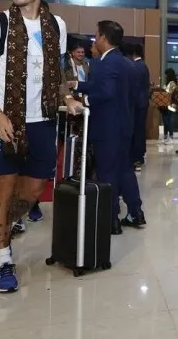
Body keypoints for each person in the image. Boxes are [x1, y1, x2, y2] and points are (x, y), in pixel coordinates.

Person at [0, 0, 81, 293]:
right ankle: (3, 256)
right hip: (6, 121)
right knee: (3, 189)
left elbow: (57, 72)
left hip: (43, 120)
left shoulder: (56, 25)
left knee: (33, 192)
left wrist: (68, 98)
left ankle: (3, 224)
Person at [70, 20, 145, 235]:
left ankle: (112, 219)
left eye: (96, 35)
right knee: (124, 170)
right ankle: (135, 211)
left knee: (108, 173)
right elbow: (101, 85)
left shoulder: (108, 62)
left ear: (103, 37)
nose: (94, 39)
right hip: (122, 126)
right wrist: (77, 85)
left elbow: (107, 92)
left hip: (108, 128)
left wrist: (83, 101)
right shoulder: (120, 61)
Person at [125, 43, 151, 171]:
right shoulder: (142, 65)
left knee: (137, 131)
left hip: (137, 103)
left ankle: (137, 158)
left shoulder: (136, 66)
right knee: (139, 130)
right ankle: (139, 155)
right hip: (142, 102)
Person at [160, 68, 177, 144]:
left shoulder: (172, 83)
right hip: (166, 104)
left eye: (166, 74)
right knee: (166, 120)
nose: (165, 76)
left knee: (169, 121)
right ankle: (166, 136)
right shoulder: (169, 83)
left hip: (170, 104)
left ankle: (170, 136)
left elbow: (170, 93)